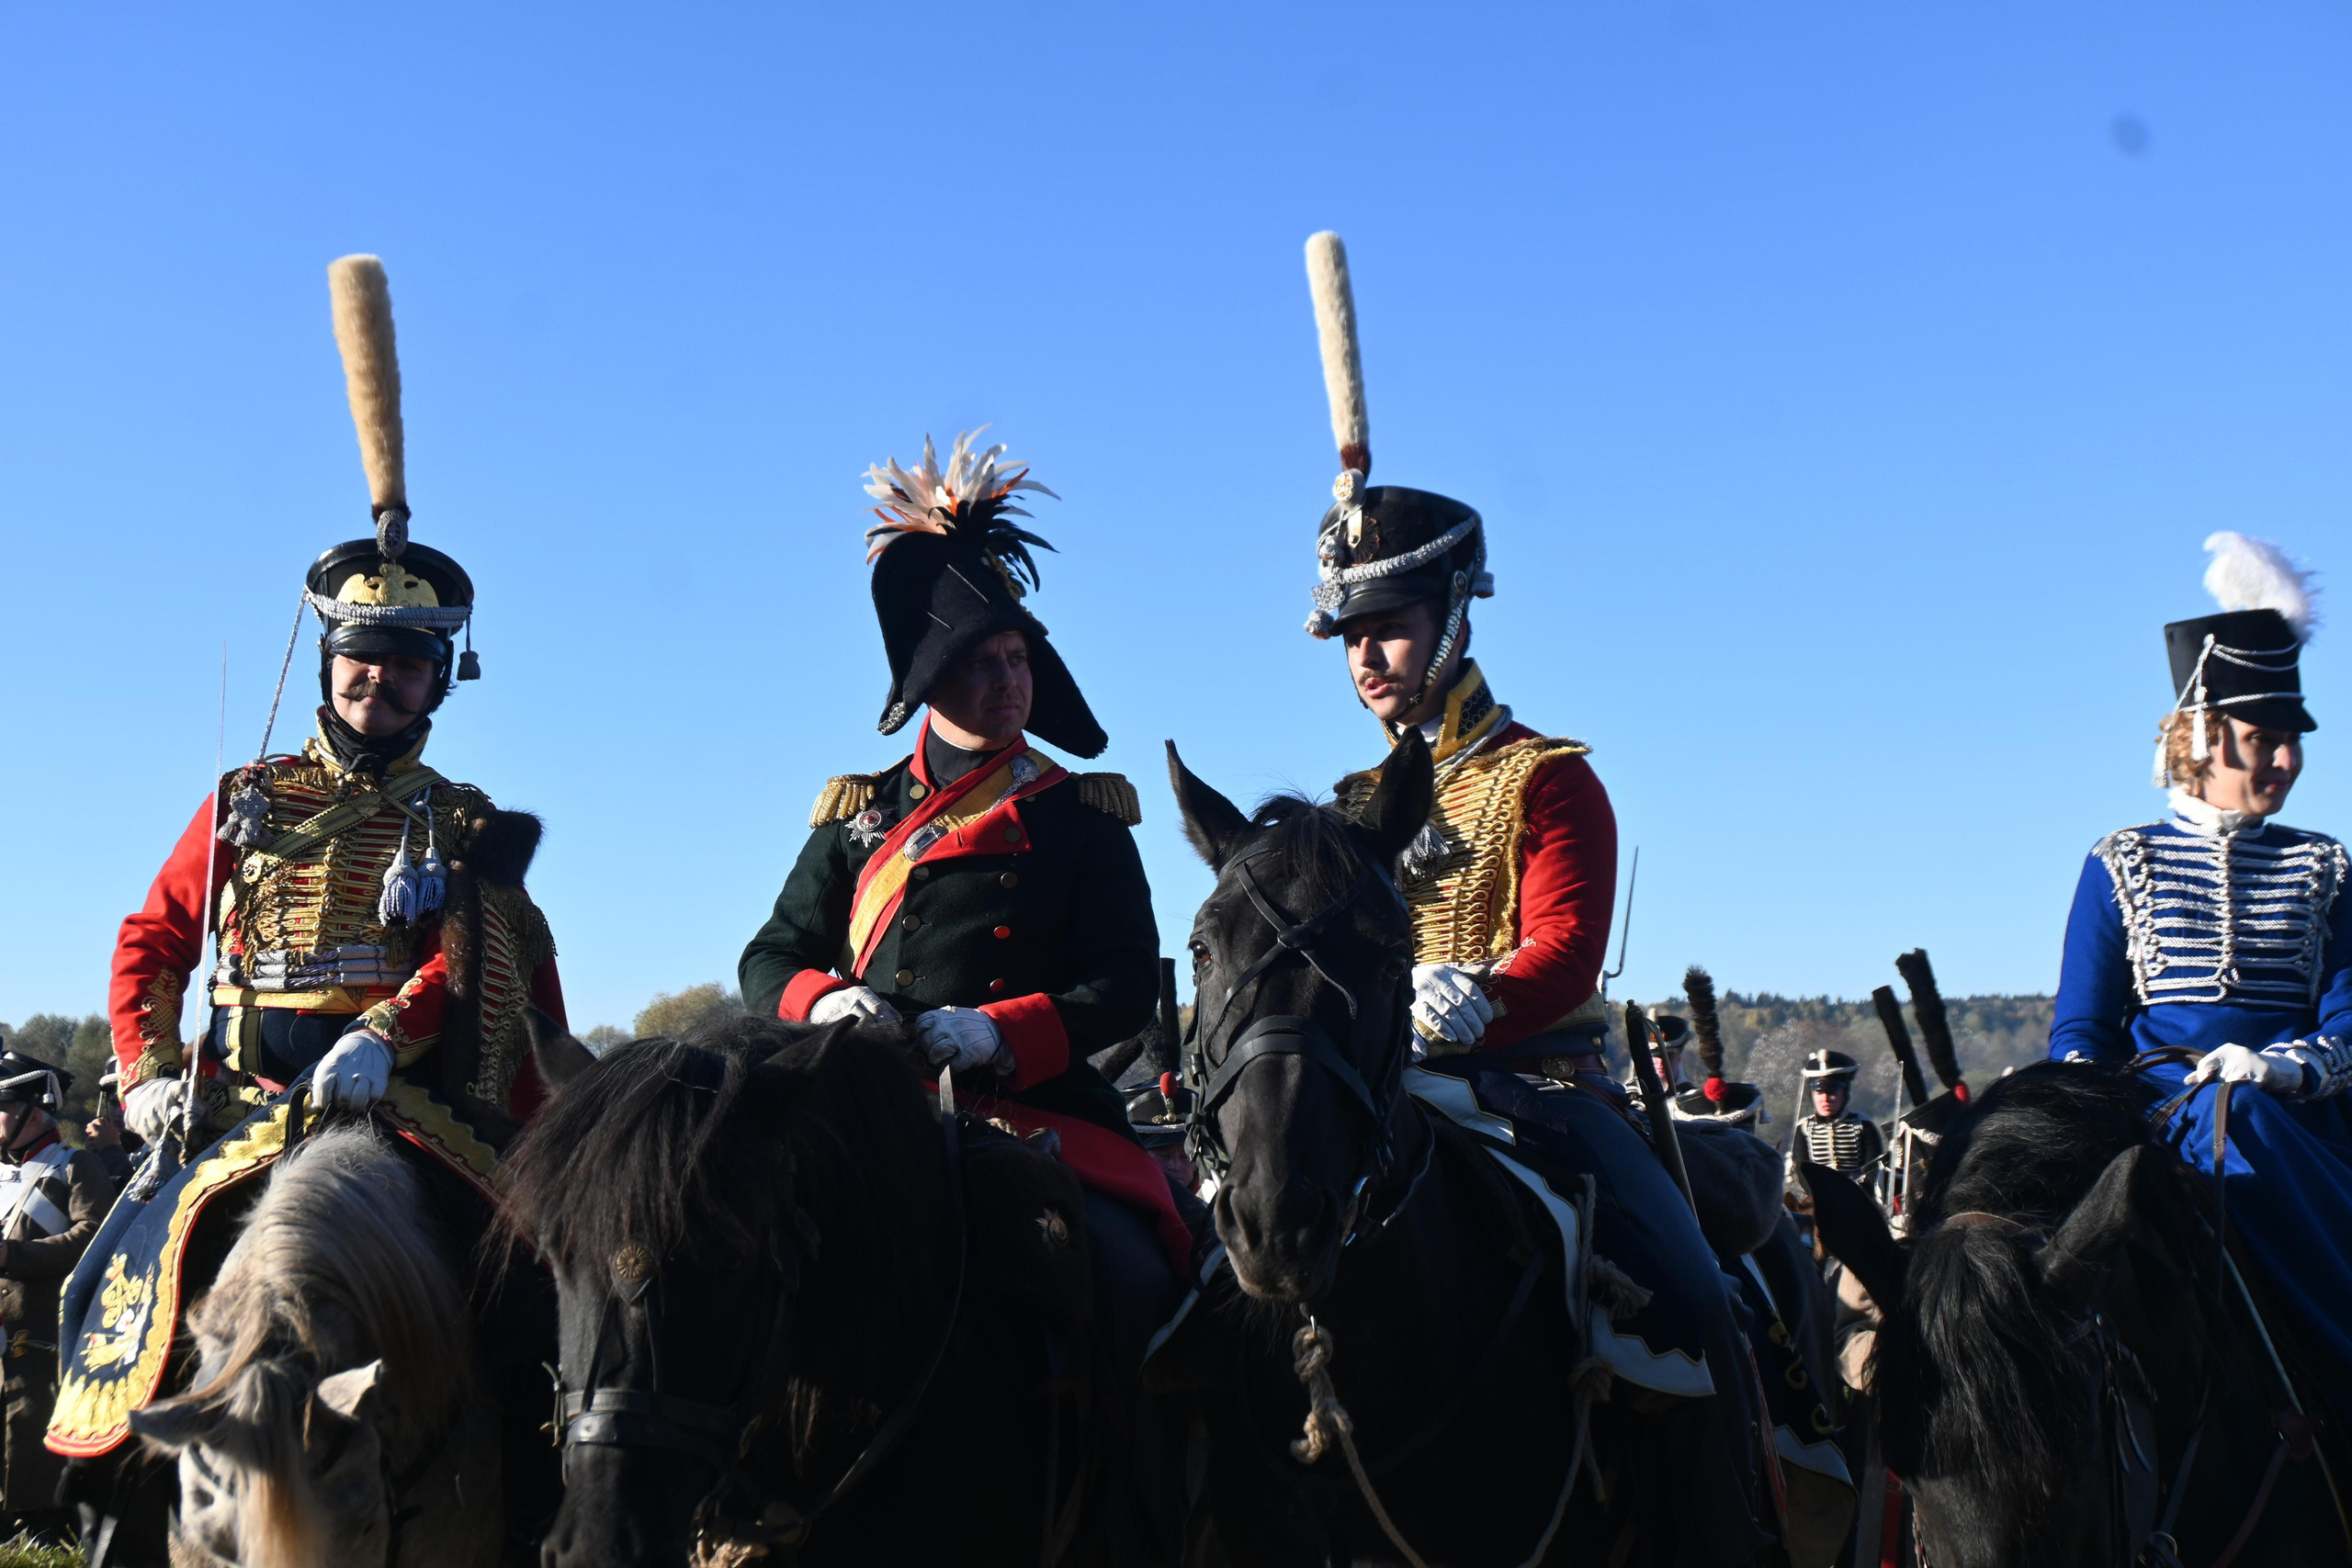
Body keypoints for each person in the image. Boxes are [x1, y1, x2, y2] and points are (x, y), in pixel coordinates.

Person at [68, 255, 565, 1564]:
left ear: (437, 682)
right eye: (358, 658)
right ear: (328, 660)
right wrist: (142, 1073)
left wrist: (383, 1038)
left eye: (405, 666)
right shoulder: (243, 797)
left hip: (402, 1109)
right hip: (233, 1102)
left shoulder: (463, 819)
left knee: (529, 1305)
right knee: (118, 1288)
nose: (375, 682)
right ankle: (113, 1507)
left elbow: (480, 964)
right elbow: (152, 942)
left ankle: (536, 1510)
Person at [738, 429, 1185, 1550]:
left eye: (1019, 659)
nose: (1008, 681)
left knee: (1139, 1282)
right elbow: (769, 956)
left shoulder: (1081, 815)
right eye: (982, 663)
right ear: (928, 680)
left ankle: (1158, 1516)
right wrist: (822, 1002)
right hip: (866, 1110)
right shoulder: (856, 814)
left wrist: (997, 1035)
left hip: (1034, 1112)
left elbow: (1122, 986)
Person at [2050, 531, 2352, 1408]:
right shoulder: (2119, 861)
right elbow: (2082, 1029)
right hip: (2152, 1109)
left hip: (2294, 1121)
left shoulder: (2326, 867)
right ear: (2204, 737)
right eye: (2265, 739)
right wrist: (2096, 1105)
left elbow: (2349, 1024)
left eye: (2293, 741)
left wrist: (2280, 1069)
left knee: (2244, 1115)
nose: (2287, 760)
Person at [0, 1050, 112, 1545]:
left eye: (3, 1106)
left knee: (32, 1418)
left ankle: (41, 1520)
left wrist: (14, 1255)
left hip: (44, 1325)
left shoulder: (75, 1165)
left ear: (35, 1110)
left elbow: (92, 1237)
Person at [1788, 1050, 1886, 1183]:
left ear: (1845, 1094)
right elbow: (1803, 1173)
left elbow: (1874, 1169)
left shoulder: (1864, 1125)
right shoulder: (1803, 1128)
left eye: (1832, 1092)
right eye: (1819, 1093)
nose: (1825, 1099)